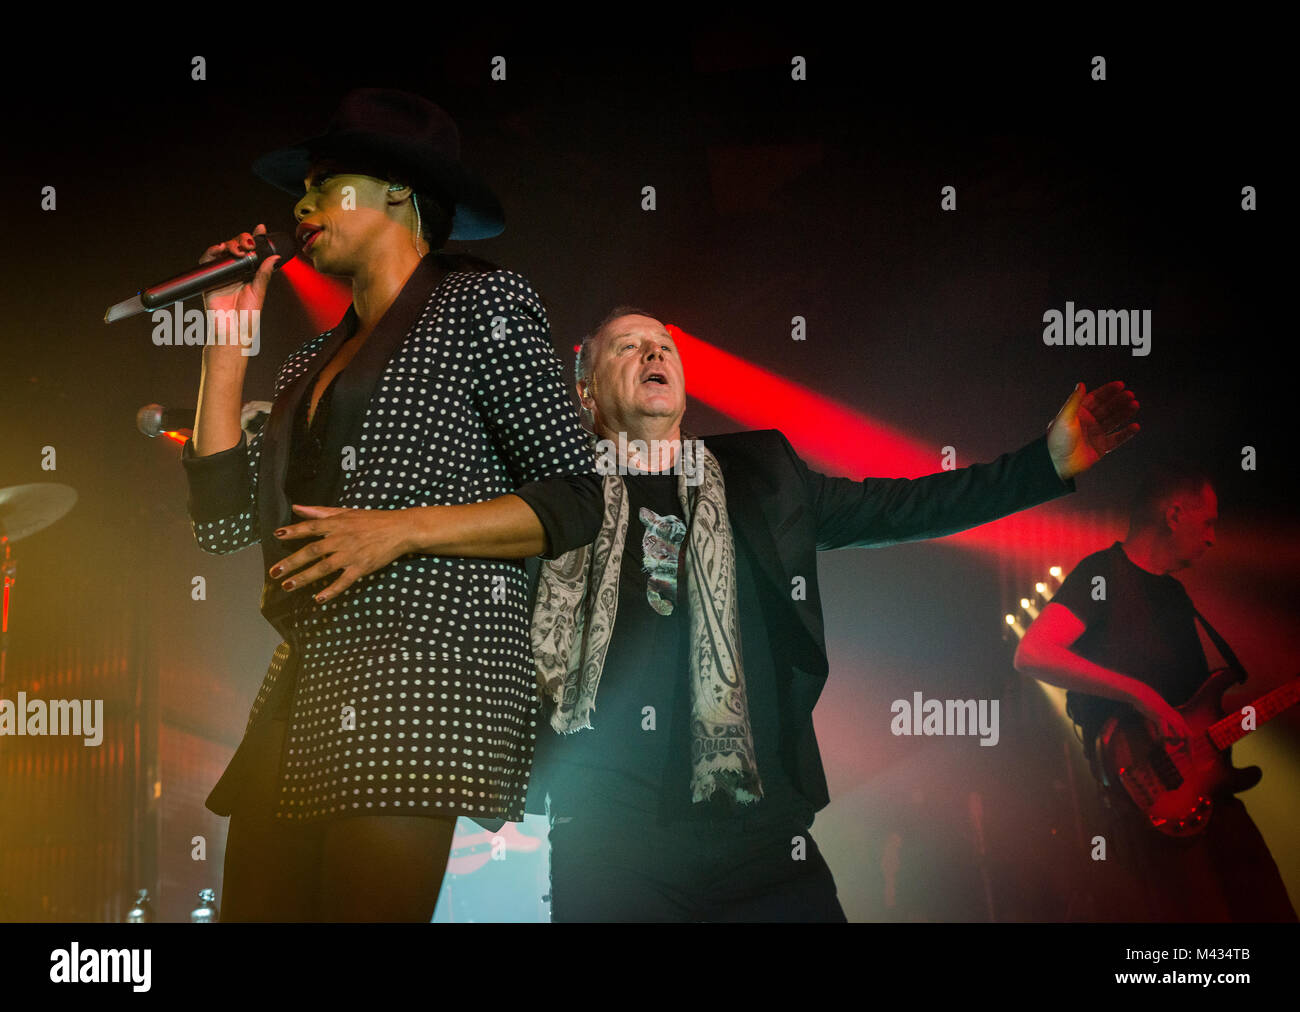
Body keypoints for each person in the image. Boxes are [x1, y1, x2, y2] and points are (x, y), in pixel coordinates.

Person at [273, 307, 1140, 921]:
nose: (653, 354)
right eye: (626, 347)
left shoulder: (763, 477)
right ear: (582, 387)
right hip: (609, 840)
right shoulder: (532, 499)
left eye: (664, 345)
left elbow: (904, 508)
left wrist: (1045, 462)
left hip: (762, 842)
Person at [180, 89, 592, 921]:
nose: (301, 202)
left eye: (326, 183)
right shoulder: (307, 363)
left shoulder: (483, 304)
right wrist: (226, 341)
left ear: (400, 191)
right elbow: (223, 521)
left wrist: (398, 534)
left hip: (422, 677)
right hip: (303, 688)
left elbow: (577, 498)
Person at [1014, 464, 1297, 921]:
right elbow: (1032, 653)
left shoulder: (1176, 595)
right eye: (1208, 522)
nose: (1213, 538)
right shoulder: (1100, 575)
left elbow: (1197, 706)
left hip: (1212, 794)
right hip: (1148, 801)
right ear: (1174, 514)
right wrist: (1137, 693)